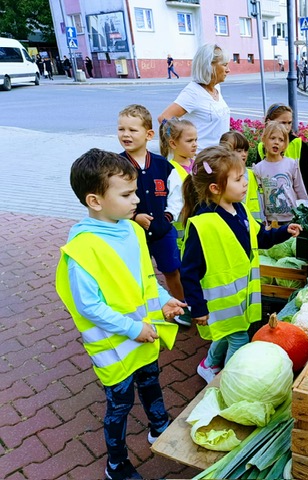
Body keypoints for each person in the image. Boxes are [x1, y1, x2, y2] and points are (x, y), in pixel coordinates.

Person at [55, 148, 185, 480]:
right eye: (126, 194)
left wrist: (165, 298)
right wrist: (132, 328)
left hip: (142, 334)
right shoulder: (82, 249)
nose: (137, 200)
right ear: (94, 201)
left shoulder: (132, 231)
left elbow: (145, 279)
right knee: (120, 406)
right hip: (115, 346)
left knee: (152, 382)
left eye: (135, 192)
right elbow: (88, 306)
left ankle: (159, 428)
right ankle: (116, 463)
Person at [179, 146, 302, 382]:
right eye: (238, 179)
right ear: (215, 189)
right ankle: (231, 380)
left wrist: (285, 231)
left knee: (227, 334)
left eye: (243, 176)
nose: (245, 182)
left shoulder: (241, 210)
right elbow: (189, 272)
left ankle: (209, 363)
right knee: (239, 338)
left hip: (241, 297)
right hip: (220, 302)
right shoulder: (202, 225)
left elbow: (261, 238)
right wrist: (198, 307)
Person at [117, 105, 189, 326]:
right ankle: (144, 311)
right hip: (131, 234)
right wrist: (133, 217)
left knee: (171, 270)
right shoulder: (115, 165)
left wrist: (167, 217)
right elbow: (113, 197)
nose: (125, 135)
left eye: (132, 130)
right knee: (138, 273)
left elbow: (177, 194)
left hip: (162, 233)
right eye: (121, 129)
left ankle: (181, 306)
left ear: (149, 134)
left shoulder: (164, 166)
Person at [158, 44, 230, 150]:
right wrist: (181, 143)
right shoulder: (193, 93)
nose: (228, 70)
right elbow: (163, 119)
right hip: (203, 160)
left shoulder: (216, 88)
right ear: (209, 66)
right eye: (224, 65)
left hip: (220, 158)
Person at [252, 122, 308, 224]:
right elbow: (260, 197)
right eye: (272, 138)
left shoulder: (291, 164)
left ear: (285, 145)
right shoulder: (258, 168)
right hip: (270, 221)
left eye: (281, 140)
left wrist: (305, 210)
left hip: (292, 218)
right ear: (264, 140)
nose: (276, 142)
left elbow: (299, 189)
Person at [158, 117, 198, 261]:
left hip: (198, 231)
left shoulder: (199, 164)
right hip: (182, 236)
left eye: (196, 140)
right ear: (173, 143)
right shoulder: (170, 171)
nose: (195, 144)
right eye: (189, 141)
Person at [257, 103, 308, 197]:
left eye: (289, 123)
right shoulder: (261, 147)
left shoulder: (299, 145)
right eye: (283, 123)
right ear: (269, 122)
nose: (287, 127)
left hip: (294, 204)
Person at [220, 131, 264, 223]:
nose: (244, 154)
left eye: (246, 150)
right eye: (239, 151)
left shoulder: (252, 174)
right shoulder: (221, 176)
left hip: (254, 228)